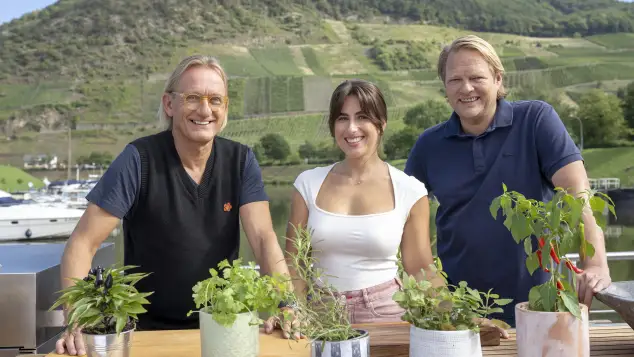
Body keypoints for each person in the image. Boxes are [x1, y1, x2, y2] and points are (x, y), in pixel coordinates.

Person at [55, 55, 291, 355]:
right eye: (192, 98)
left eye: (215, 100)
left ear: (225, 108)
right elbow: (82, 243)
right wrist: (77, 319)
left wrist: (289, 304)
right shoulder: (138, 159)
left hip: (224, 328)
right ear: (169, 104)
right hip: (146, 335)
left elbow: (263, 238)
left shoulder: (241, 160)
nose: (205, 110)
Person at [404, 35, 612, 327]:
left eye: (477, 77)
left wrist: (595, 263)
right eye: (455, 80)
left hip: (539, 305)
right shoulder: (428, 145)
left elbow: (576, 193)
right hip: (459, 311)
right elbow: (402, 220)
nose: (466, 88)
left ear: (498, 79)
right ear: (445, 87)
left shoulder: (536, 119)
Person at [281, 79, 445, 327]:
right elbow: (295, 262)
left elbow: (421, 268)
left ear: (381, 124)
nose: (352, 128)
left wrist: (457, 316)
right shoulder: (307, 184)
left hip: (387, 312)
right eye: (342, 118)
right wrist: (294, 311)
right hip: (322, 312)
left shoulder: (409, 190)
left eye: (362, 117)